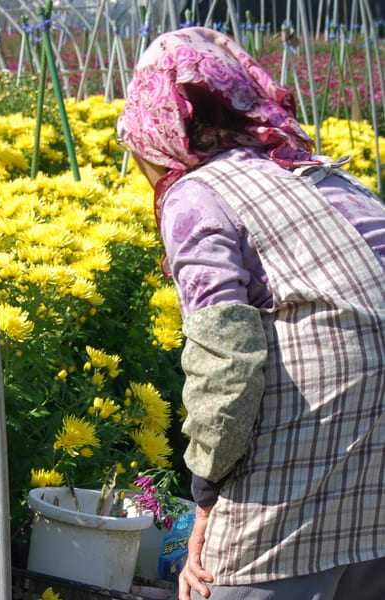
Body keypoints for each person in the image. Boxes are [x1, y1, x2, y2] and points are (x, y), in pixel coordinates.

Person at [116, 26, 385, 600]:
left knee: (227, 582)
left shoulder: (199, 195)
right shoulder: (326, 176)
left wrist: (207, 489)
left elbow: (227, 359)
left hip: (314, 434)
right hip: (377, 460)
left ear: (152, 127)